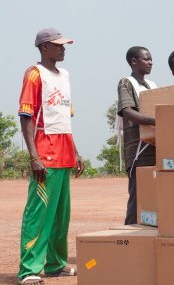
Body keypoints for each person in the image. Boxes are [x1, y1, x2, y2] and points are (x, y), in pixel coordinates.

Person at [17, 28, 84, 285]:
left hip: (65, 152)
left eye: (64, 45)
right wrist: (34, 157)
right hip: (45, 153)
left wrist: (75, 151)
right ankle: (29, 269)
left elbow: (64, 117)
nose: (63, 49)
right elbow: (26, 117)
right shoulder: (34, 75)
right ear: (44, 47)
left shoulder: (64, 75)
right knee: (39, 213)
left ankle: (55, 264)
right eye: (58, 45)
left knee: (60, 214)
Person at [117, 46, 157, 225]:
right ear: (134, 61)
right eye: (146, 59)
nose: (151, 62)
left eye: (151, 59)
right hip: (138, 153)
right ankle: (129, 241)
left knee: (155, 197)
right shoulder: (126, 83)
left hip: (155, 149)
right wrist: (155, 120)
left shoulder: (152, 86)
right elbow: (127, 111)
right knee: (137, 199)